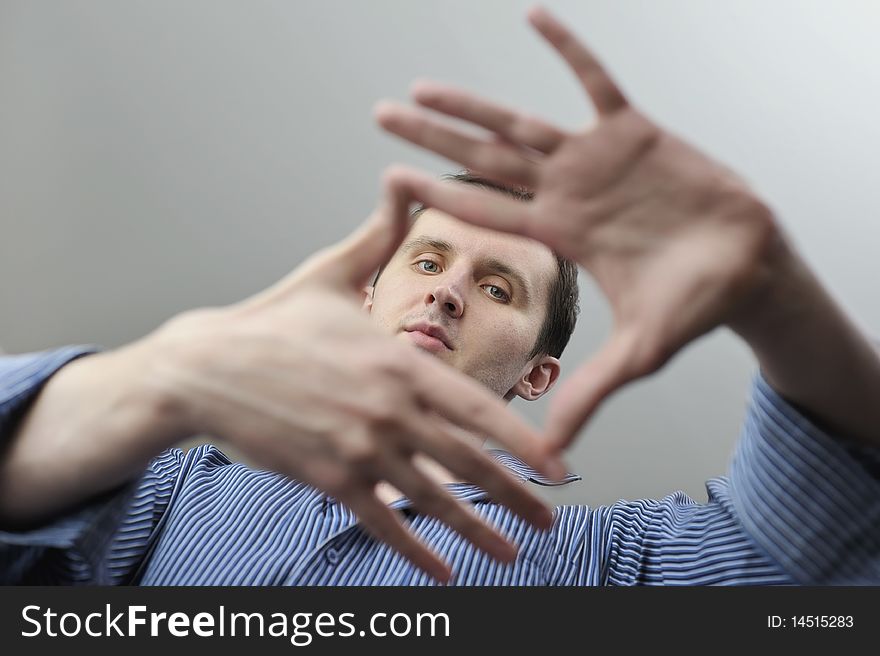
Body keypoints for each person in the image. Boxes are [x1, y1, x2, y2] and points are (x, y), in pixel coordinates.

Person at [2, 7, 878, 585]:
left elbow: (802, 560)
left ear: (537, 376)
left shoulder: (588, 561)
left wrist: (777, 298)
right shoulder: (180, 485)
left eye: (497, 286)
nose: (451, 293)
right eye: (427, 263)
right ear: (365, 296)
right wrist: (166, 374)